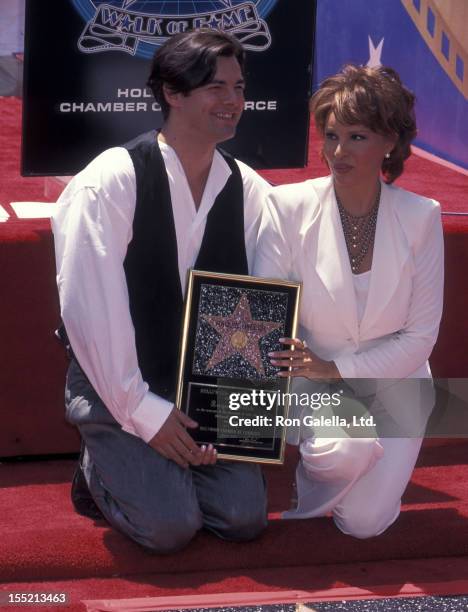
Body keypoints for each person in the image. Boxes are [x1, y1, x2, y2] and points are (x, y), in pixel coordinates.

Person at [52, 29, 269, 553]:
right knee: (169, 528)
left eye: (239, 87)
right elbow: (91, 314)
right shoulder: (109, 181)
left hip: (199, 391)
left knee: (243, 518)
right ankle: (96, 466)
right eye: (217, 87)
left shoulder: (250, 188)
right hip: (117, 384)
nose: (234, 101)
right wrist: (145, 414)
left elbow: (259, 308)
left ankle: (161, 469)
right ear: (173, 92)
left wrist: (227, 420)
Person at [254, 64, 444, 538]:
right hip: (311, 381)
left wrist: (337, 369)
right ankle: (319, 472)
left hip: (395, 380)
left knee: (364, 523)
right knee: (347, 449)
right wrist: (312, 370)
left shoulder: (422, 217)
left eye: (357, 137)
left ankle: (356, 480)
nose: (338, 151)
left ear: (390, 143)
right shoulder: (286, 206)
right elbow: (267, 310)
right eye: (331, 135)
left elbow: (421, 337)